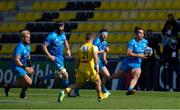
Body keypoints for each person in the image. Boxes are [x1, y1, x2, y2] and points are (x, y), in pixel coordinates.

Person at [58, 33, 107, 103]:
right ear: (92, 39)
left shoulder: (81, 48)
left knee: (77, 84)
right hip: (90, 70)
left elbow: (77, 61)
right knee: (98, 81)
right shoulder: (93, 47)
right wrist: (97, 67)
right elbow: (95, 57)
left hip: (81, 69)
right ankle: (100, 96)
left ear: (86, 39)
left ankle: (64, 91)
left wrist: (76, 69)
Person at [110, 27, 148, 95]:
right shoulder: (131, 42)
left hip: (137, 63)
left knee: (137, 74)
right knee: (117, 76)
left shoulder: (145, 41)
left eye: (143, 33)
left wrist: (147, 53)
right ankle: (108, 79)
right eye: (140, 33)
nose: (142, 34)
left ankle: (130, 89)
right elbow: (128, 53)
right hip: (127, 63)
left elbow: (145, 50)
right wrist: (140, 55)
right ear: (136, 34)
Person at [3, 30, 34, 98]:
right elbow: (16, 60)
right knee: (29, 82)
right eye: (27, 37)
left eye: (29, 37)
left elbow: (28, 57)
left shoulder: (27, 46)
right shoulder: (20, 47)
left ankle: (8, 86)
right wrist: (25, 67)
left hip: (22, 66)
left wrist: (30, 66)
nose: (29, 39)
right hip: (16, 66)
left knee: (21, 82)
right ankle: (22, 94)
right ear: (22, 38)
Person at [41, 22, 71, 88]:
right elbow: (43, 46)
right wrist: (49, 56)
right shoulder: (51, 36)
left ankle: (41, 78)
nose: (63, 28)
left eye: (63, 26)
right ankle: (68, 91)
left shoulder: (63, 34)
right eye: (62, 27)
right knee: (65, 74)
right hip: (54, 58)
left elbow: (65, 41)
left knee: (59, 76)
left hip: (61, 57)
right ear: (58, 27)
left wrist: (68, 49)